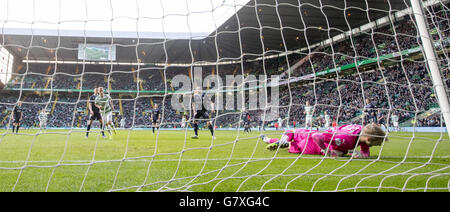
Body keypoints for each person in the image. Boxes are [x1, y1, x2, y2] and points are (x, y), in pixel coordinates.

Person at [262, 123, 386, 158]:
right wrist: (327, 151)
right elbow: (317, 137)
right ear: (369, 139)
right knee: (294, 137)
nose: (377, 146)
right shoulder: (345, 140)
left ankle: (270, 139)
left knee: (293, 134)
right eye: (377, 143)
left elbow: (365, 149)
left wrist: (361, 154)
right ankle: (279, 140)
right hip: (312, 144)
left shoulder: (361, 129)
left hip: (314, 140)